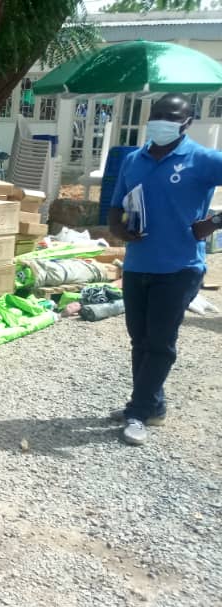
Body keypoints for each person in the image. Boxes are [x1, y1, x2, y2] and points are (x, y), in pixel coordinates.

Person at [107, 93, 222, 446]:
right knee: (139, 339)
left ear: (186, 123)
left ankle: (138, 412)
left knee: (160, 342)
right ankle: (152, 405)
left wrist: (214, 222)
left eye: (171, 116)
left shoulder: (201, 159)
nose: (161, 121)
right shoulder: (133, 160)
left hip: (179, 267)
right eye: (156, 114)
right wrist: (120, 230)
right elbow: (115, 208)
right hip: (138, 264)